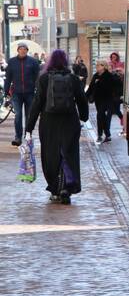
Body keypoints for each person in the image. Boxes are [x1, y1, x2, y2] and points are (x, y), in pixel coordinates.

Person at [25, 50, 89, 205]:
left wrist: (29, 128)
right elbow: (82, 99)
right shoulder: (73, 79)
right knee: (68, 153)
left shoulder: (44, 79)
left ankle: (55, 189)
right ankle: (67, 187)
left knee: (51, 155)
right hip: (69, 121)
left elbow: (37, 103)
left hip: (49, 122)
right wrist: (83, 117)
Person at [4, 43, 41, 146]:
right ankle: (18, 137)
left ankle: (28, 136)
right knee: (18, 115)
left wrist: (38, 90)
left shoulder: (33, 62)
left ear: (27, 50)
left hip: (30, 93)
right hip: (16, 93)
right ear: (18, 50)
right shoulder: (11, 62)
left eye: (24, 49)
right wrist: (6, 91)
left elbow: (37, 78)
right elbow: (8, 78)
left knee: (29, 116)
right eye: (21, 49)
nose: (22, 50)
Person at [85, 60, 122, 144]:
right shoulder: (95, 76)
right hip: (98, 100)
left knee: (100, 116)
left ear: (103, 67)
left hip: (107, 100)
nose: (97, 67)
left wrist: (117, 97)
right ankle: (106, 135)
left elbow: (116, 87)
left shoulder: (109, 76)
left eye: (98, 65)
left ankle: (101, 135)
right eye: (96, 65)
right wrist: (84, 97)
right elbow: (90, 88)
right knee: (102, 117)